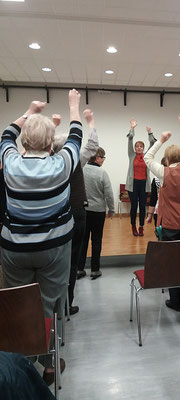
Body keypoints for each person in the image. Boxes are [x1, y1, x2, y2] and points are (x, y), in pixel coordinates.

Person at [0, 89, 82, 384]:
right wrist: (74, 106)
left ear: (24, 140)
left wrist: (29, 112)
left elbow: (6, 135)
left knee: (19, 304)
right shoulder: (61, 165)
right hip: (54, 249)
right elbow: (76, 136)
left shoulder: (10, 163)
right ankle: (48, 362)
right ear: (51, 142)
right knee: (48, 304)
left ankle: (19, 362)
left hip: (14, 250)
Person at [144, 112, 180, 311]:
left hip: (171, 226)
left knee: (173, 262)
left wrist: (161, 139)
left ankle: (175, 301)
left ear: (167, 160)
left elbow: (147, 157)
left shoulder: (164, 173)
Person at [53, 109, 99, 314]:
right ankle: (66, 304)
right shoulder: (75, 159)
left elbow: (35, 148)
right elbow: (93, 146)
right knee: (71, 260)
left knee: (54, 262)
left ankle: (52, 305)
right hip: (77, 213)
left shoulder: (48, 162)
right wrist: (91, 122)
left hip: (55, 216)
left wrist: (52, 126)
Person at [77, 147, 115, 279]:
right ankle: (95, 270)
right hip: (98, 211)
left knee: (82, 240)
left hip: (83, 210)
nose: (103, 160)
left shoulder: (81, 170)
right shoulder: (102, 173)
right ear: (97, 158)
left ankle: (79, 269)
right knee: (96, 240)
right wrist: (111, 209)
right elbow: (109, 194)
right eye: (103, 158)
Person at [125, 119, 156, 236]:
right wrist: (132, 128)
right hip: (133, 184)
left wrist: (150, 133)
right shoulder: (131, 155)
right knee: (134, 207)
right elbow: (130, 139)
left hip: (143, 184)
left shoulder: (147, 156)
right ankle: (133, 226)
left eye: (141, 146)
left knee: (142, 207)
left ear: (143, 148)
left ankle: (141, 227)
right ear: (135, 148)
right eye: (137, 146)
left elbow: (153, 144)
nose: (139, 148)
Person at [146, 157, 166, 228]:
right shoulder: (176, 177)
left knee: (160, 235)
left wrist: (149, 215)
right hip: (173, 213)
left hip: (158, 212)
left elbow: (153, 199)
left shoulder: (156, 179)